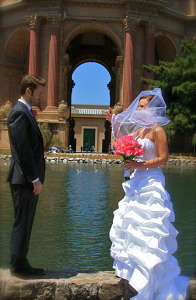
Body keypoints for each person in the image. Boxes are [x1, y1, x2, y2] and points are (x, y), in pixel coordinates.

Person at [106, 88, 189, 300]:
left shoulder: (157, 131)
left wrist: (140, 164)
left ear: (152, 109)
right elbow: (122, 138)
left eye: (142, 107)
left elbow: (163, 158)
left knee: (150, 226)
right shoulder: (141, 131)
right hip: (137, 181)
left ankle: (152, 273)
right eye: (139, 106)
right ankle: (134, 269)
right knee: (132, 223)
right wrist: (114, 121)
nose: (138, 110)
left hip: (151, 181)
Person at [7, 74, 46, 277]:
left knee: (26, 221)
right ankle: (18, 266)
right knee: (22, 221)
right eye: (38, 93)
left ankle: (21, 262)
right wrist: (34, 178)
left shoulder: (26, 112)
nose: (40, 97)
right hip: (23, 179)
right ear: (28, 90)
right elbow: (23, 150)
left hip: (25, 179)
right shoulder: (19, 113)